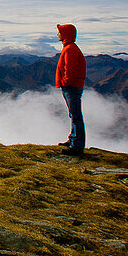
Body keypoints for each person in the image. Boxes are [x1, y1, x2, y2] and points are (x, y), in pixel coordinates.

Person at [55, 23, 86, 156]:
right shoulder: (70, 48)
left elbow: (70, 69)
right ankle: (73, 139)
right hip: (72, 86)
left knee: (76, 116)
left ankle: (77, 146)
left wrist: (64, 82)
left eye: (60, 32)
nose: (58, 34)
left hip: (71, 87)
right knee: (74, 114)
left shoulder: (70, 49)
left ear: (66, 34)